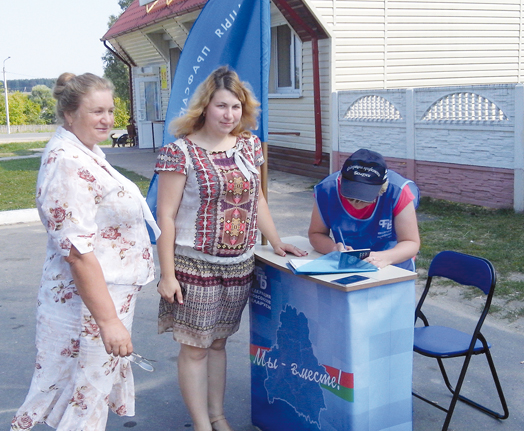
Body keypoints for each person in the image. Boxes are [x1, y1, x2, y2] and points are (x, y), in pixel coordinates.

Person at [154, 66, 307, 431]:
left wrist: (276, 240)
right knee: (195, 348)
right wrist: (167, 275)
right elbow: (166, 217)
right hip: (194, 266)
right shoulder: (180, 152)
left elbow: (258, 200)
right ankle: (201, 425)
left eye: (236, 107)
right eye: (221, 106)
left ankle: (218, 416)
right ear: (205, 107)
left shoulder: (249, 146)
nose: (229, 115)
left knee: (219, 345)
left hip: (239, 265)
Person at [11, 73, 160, 431]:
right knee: (84, 399)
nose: (107, 119)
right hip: (88, 306)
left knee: (87, 396)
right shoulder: (67, 162)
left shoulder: (86, 151)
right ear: (69, 114)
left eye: (110, 110)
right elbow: (77, 252)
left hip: (104, 298)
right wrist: (108, 322)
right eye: (96, 111)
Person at [308, 148, 420, 271]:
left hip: (393, 263)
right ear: (341, 181)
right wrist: (334, 249)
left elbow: (411, 242)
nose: (356, 204)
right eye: (349, 198)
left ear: (382, 188)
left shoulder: (398, 192)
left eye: (364, 199)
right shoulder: (327, 189)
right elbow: (316, 233)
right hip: (349, 264)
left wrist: (383, 258)